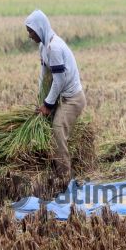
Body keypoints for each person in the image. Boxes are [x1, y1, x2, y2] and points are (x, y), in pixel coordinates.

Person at [25, 10, 86, 180]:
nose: (30, 35)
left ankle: (65, 177)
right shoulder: (43, 46)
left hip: (72, 99)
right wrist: (41, 99)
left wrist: (48, 105)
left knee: (57, 130)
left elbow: (59, 81)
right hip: (60, 98)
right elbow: (44, 75)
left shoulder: (54, 48)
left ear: (40, 28)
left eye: (31, 31)